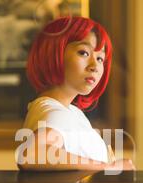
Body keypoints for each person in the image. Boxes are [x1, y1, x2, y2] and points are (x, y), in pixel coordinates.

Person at [17, 16, 136, 172]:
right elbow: (31, 155)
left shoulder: (72, 112)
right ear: (54, 54)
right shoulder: (55, 112)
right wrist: (108, 167)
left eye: (100, 58)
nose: (95, 66)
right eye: (83, 53)